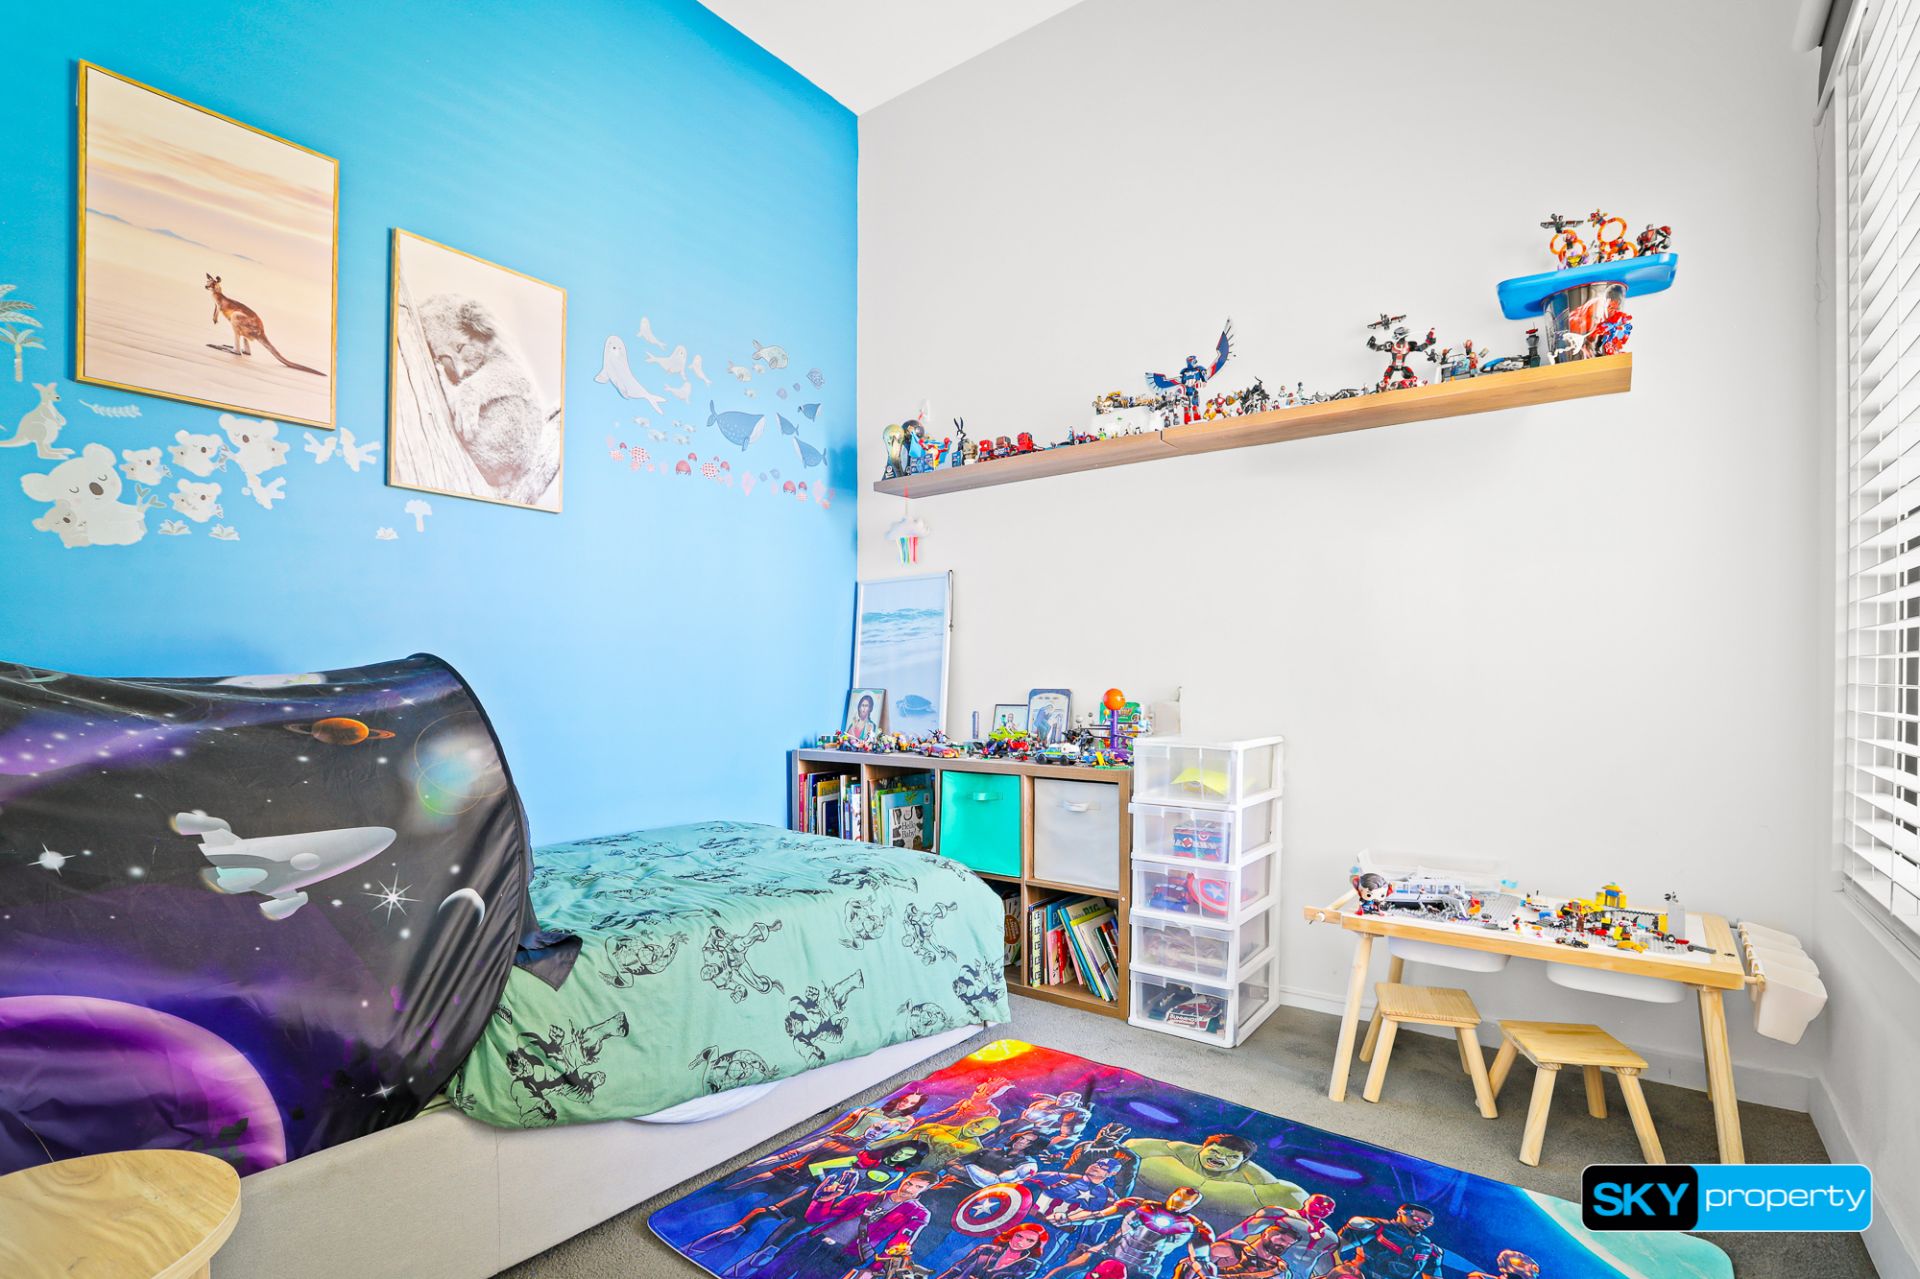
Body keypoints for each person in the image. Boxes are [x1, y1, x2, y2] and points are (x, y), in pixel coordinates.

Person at [934, 1224, 1053, 1278]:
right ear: (1011, 1235)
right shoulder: (985, 1249)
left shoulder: (1030, 1266)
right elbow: (957, 1269)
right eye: (1019, 1236)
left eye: (1030, 1240)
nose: (1021, 1242)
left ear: (1035, 1245)